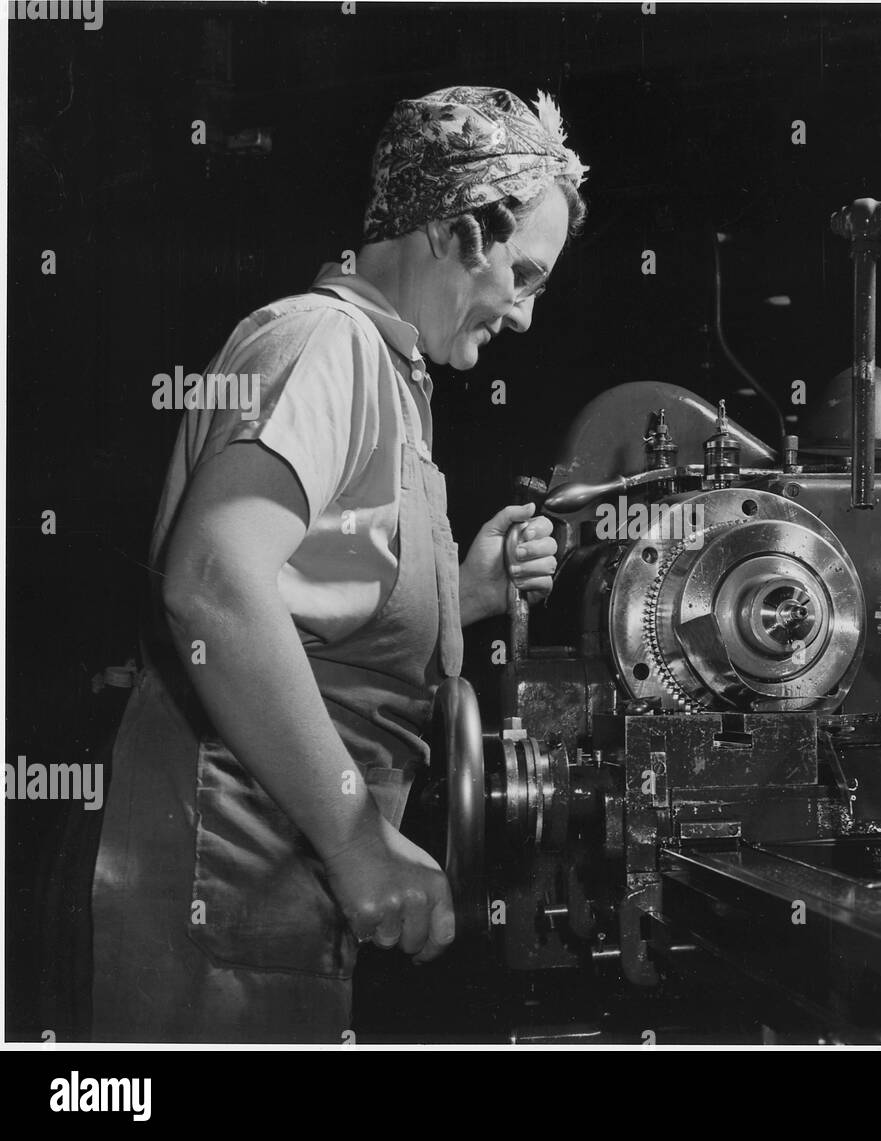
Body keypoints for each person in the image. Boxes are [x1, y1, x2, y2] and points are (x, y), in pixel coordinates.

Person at [90, 86, 589, 1043]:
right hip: (222, 883)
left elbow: (319, 604)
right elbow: (213, 580)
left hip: (276, 890)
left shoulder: (393, 376)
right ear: (457, 231)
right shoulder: (327, 343)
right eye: (523, 276)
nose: (524, 316)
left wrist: (469, 592)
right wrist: (360, 839)